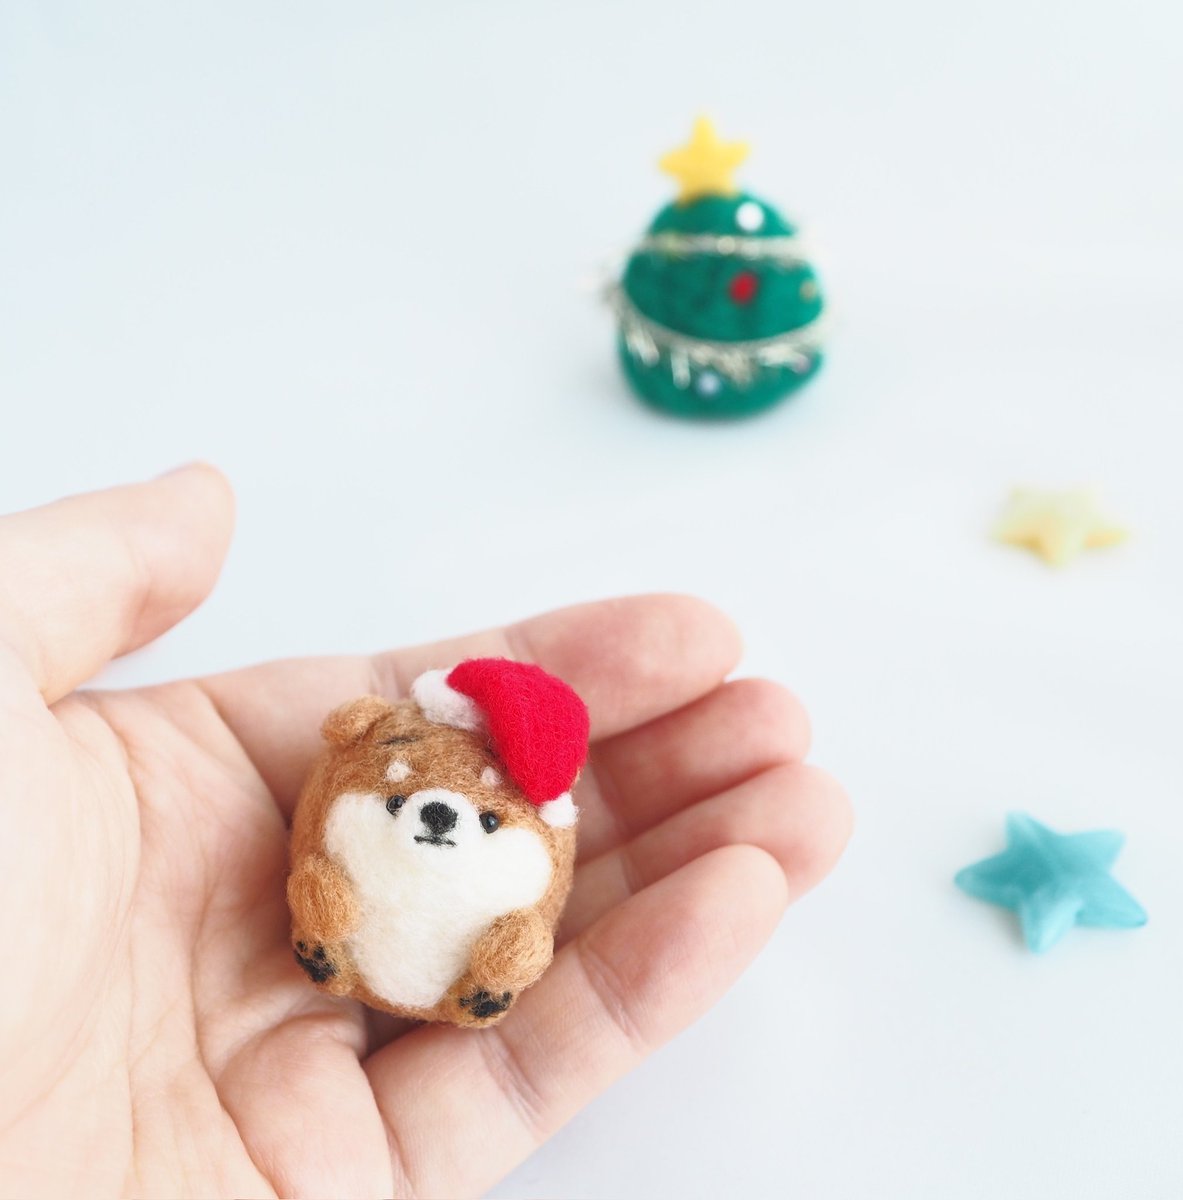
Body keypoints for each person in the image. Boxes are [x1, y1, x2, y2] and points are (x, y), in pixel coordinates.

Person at [0, 464, 851, 1198]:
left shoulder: (532, 850)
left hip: (450, 984)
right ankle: (330, 947)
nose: (443, 815)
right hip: (330, 952)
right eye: (415, 794)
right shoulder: (373, 753)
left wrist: (507, 953)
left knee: (515, 947)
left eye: (487, 816)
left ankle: (472, 983)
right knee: (328, 895)